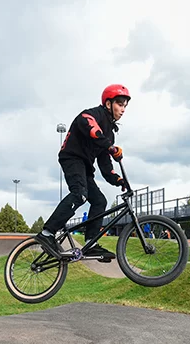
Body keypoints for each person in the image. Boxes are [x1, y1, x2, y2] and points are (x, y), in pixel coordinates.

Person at [34, 84, 130, 262]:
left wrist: (117, 179)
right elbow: (88, 124)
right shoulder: (94, 114)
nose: (123, 109)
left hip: (85, 167)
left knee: (100, 201)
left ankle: (90, 243)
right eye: (119, 103)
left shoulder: (109, 134)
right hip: (72, 158)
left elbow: (104, 163)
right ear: (108, 104)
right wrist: (109, 145)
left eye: (125, 105)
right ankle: (46, 233)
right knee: (80, 194)